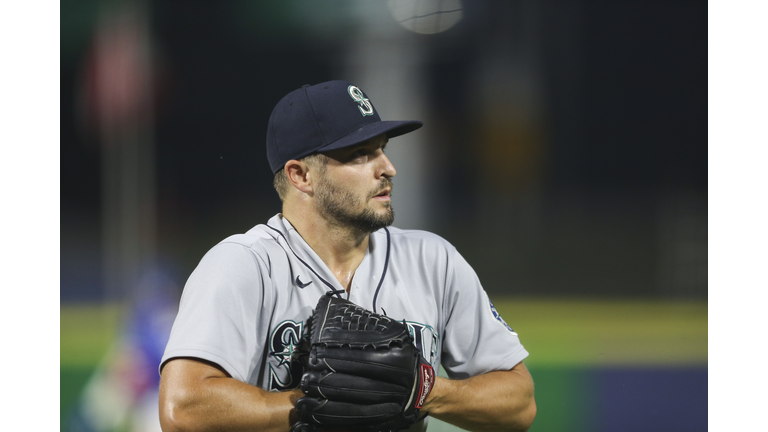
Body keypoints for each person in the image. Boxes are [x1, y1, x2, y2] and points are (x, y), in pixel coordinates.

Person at [158, 80, 536, 432]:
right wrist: (308, 404)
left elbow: (520, 403)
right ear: (300, 175)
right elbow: (182, 408)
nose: (387, 168)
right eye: (360, 155)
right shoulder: (245, 265)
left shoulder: (432, 260)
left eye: (382, 149)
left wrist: (426, 390)